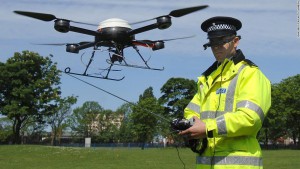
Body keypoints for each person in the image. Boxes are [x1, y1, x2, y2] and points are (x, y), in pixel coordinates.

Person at [179, 16, 271, 169]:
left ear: (235, 41)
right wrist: (188, 125)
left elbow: (250, 119)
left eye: (221, 42)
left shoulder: (250, 74)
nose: (216, 47)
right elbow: (191, 111)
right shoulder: (207, 79)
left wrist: (207, 128)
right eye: (213, 43)